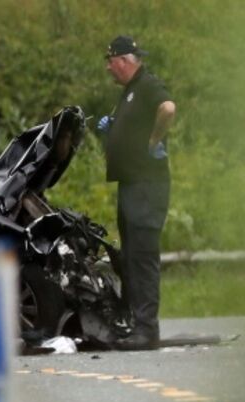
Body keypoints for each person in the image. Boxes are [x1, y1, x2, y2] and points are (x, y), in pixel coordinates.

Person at [98, 36, 176, 350]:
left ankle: (147, 329)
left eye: (110, 61)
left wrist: (154, 141)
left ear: (124, 60)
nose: (108, 67)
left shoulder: (146, 85)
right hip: (131, 184)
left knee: (143, 257)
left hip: (147, 186)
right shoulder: (130, 91)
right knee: (130, 256)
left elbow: (168, 109)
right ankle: (135, 324)